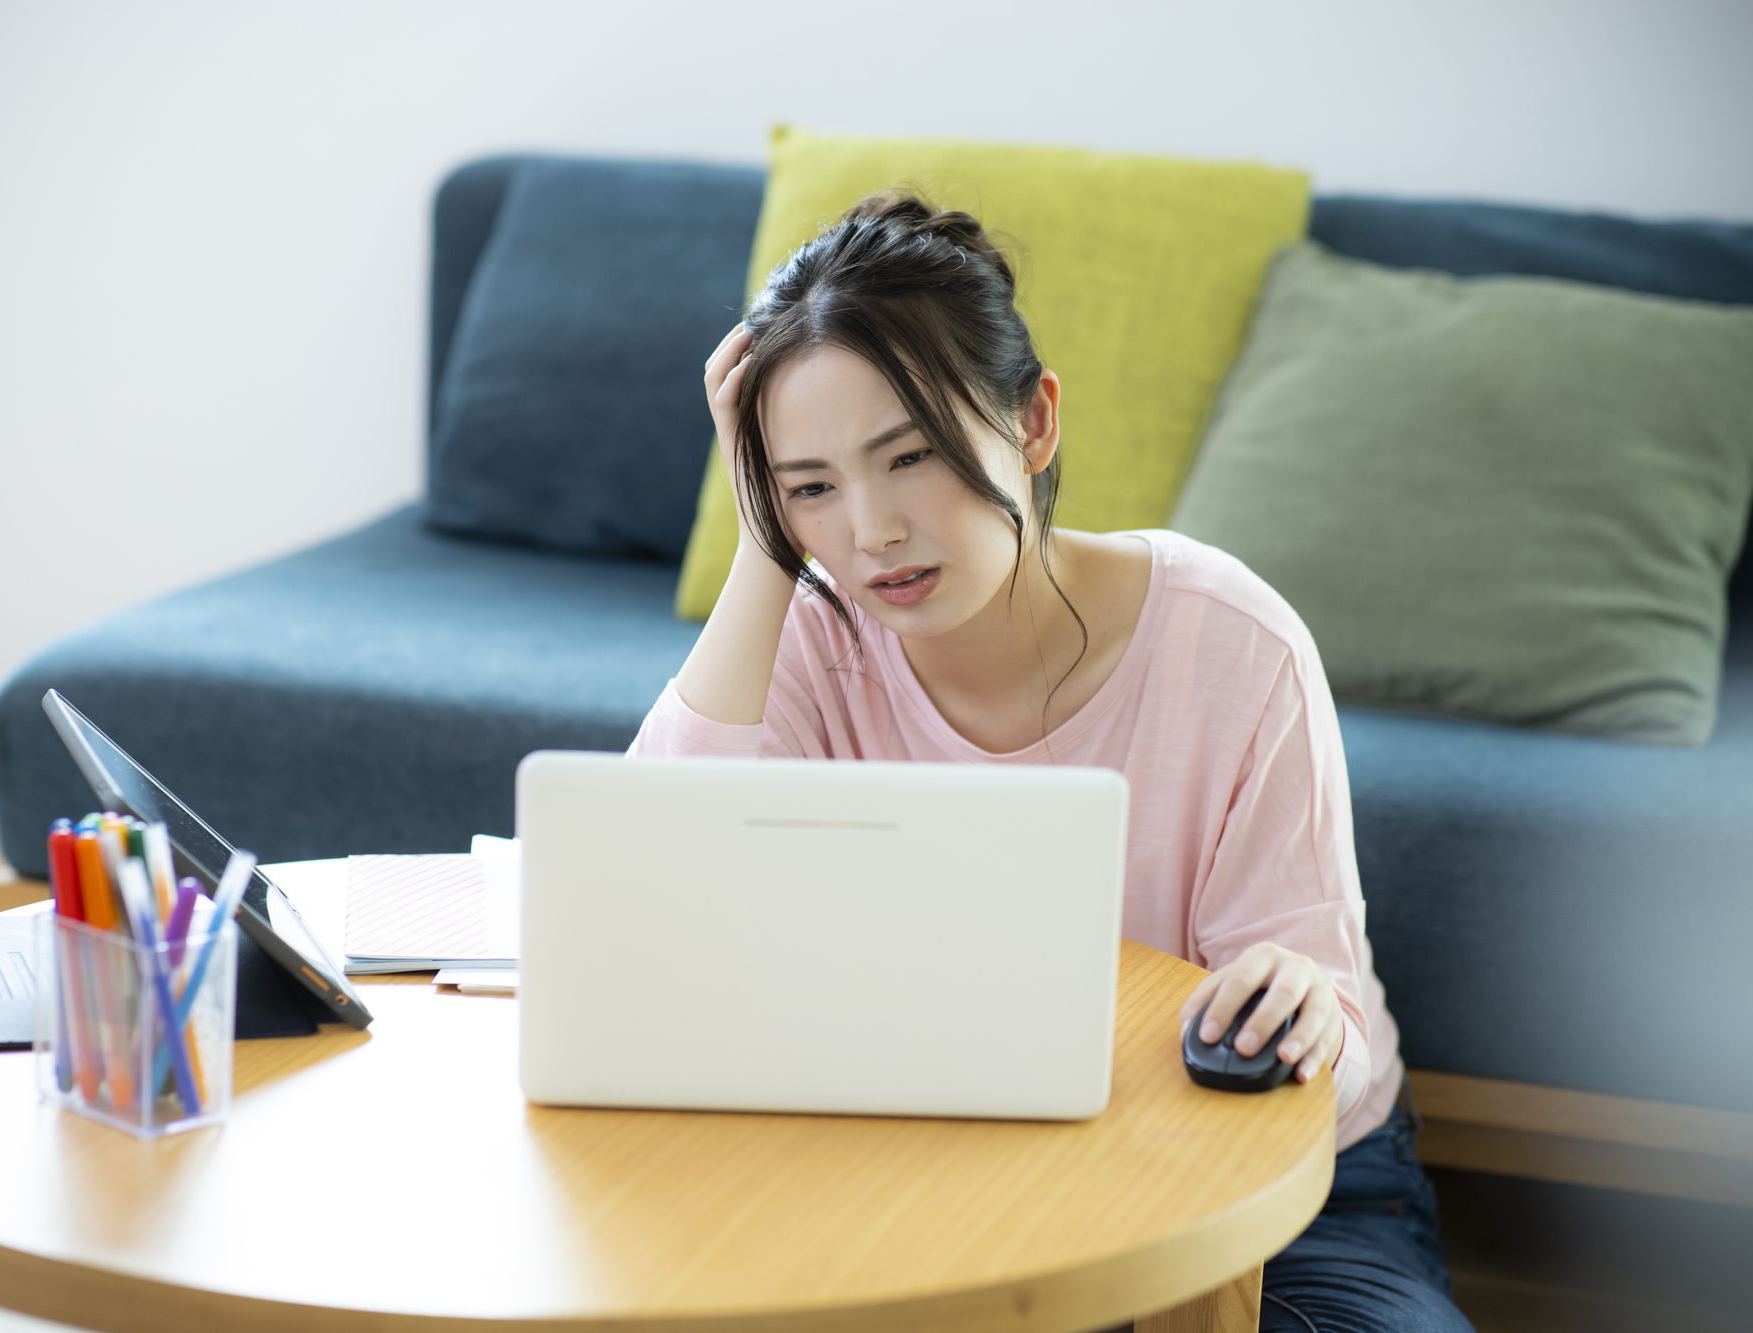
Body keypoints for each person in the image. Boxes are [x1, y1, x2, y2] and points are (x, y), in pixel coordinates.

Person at [627, 194, 1474, 1333]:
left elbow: (1315, 997)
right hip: (935, 1167)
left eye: (909, 454)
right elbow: (654, 899)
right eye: (810, 485)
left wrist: (1298, 1008)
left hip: (1279, 1192)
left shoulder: (1232, 641)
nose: (869, 530)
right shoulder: (811, 637)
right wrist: (760, 553)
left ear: (1031, 424)